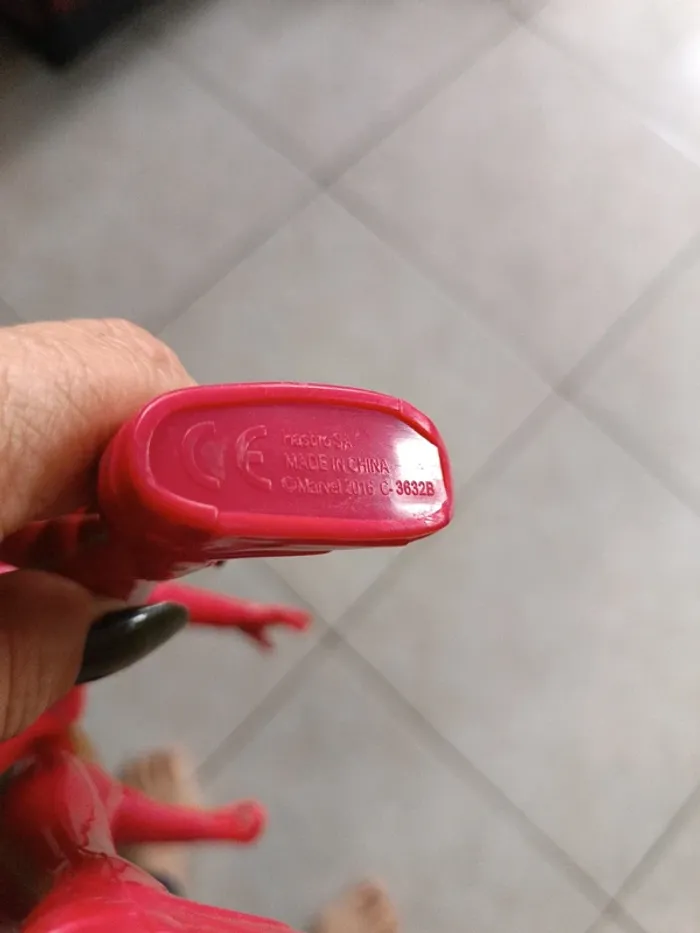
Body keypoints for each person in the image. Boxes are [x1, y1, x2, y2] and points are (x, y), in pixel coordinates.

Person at [0, 318, 398, 933]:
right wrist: (213, 827)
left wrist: (235, 614)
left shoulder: (32, 587)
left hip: (46, 792)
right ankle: (161, 875)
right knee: (87, 849)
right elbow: (126, 599)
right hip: (41, 829)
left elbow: (132, 598)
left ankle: (154, 875)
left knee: (85, 850)